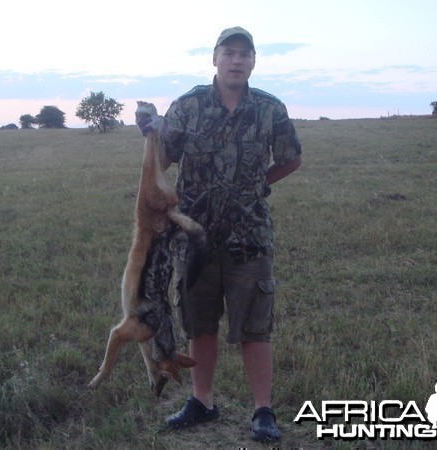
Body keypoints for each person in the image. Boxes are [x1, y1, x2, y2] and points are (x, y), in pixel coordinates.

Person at [136, 26, 302, 442]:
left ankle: (263, 411)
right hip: (195, 239)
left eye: (245, 54)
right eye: (229, 53)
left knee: (254, 327)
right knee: (200, 324)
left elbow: (291, 158)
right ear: (214, 58)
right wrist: (151, 131)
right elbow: (166, 156)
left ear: (253, 62)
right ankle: (203, 401)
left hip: (251, 238)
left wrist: (258, 186)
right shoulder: (188, 105)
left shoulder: (269, 108)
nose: (237, 60)